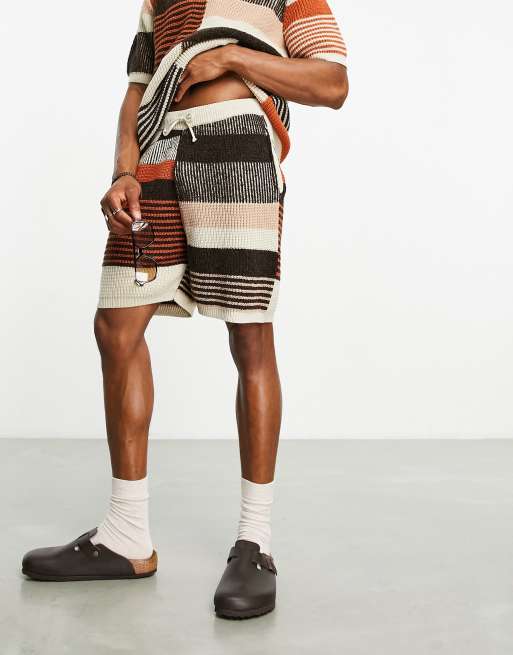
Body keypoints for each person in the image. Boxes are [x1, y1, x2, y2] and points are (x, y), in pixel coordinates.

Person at [22, 0, 348, 619]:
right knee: (116, 325)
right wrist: (123, 171)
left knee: (249, 337)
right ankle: (126, 535)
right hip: (157, 155)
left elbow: (332, 83)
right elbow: (136, 90)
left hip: (238, 146)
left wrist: (233, 58)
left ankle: (255, 544)